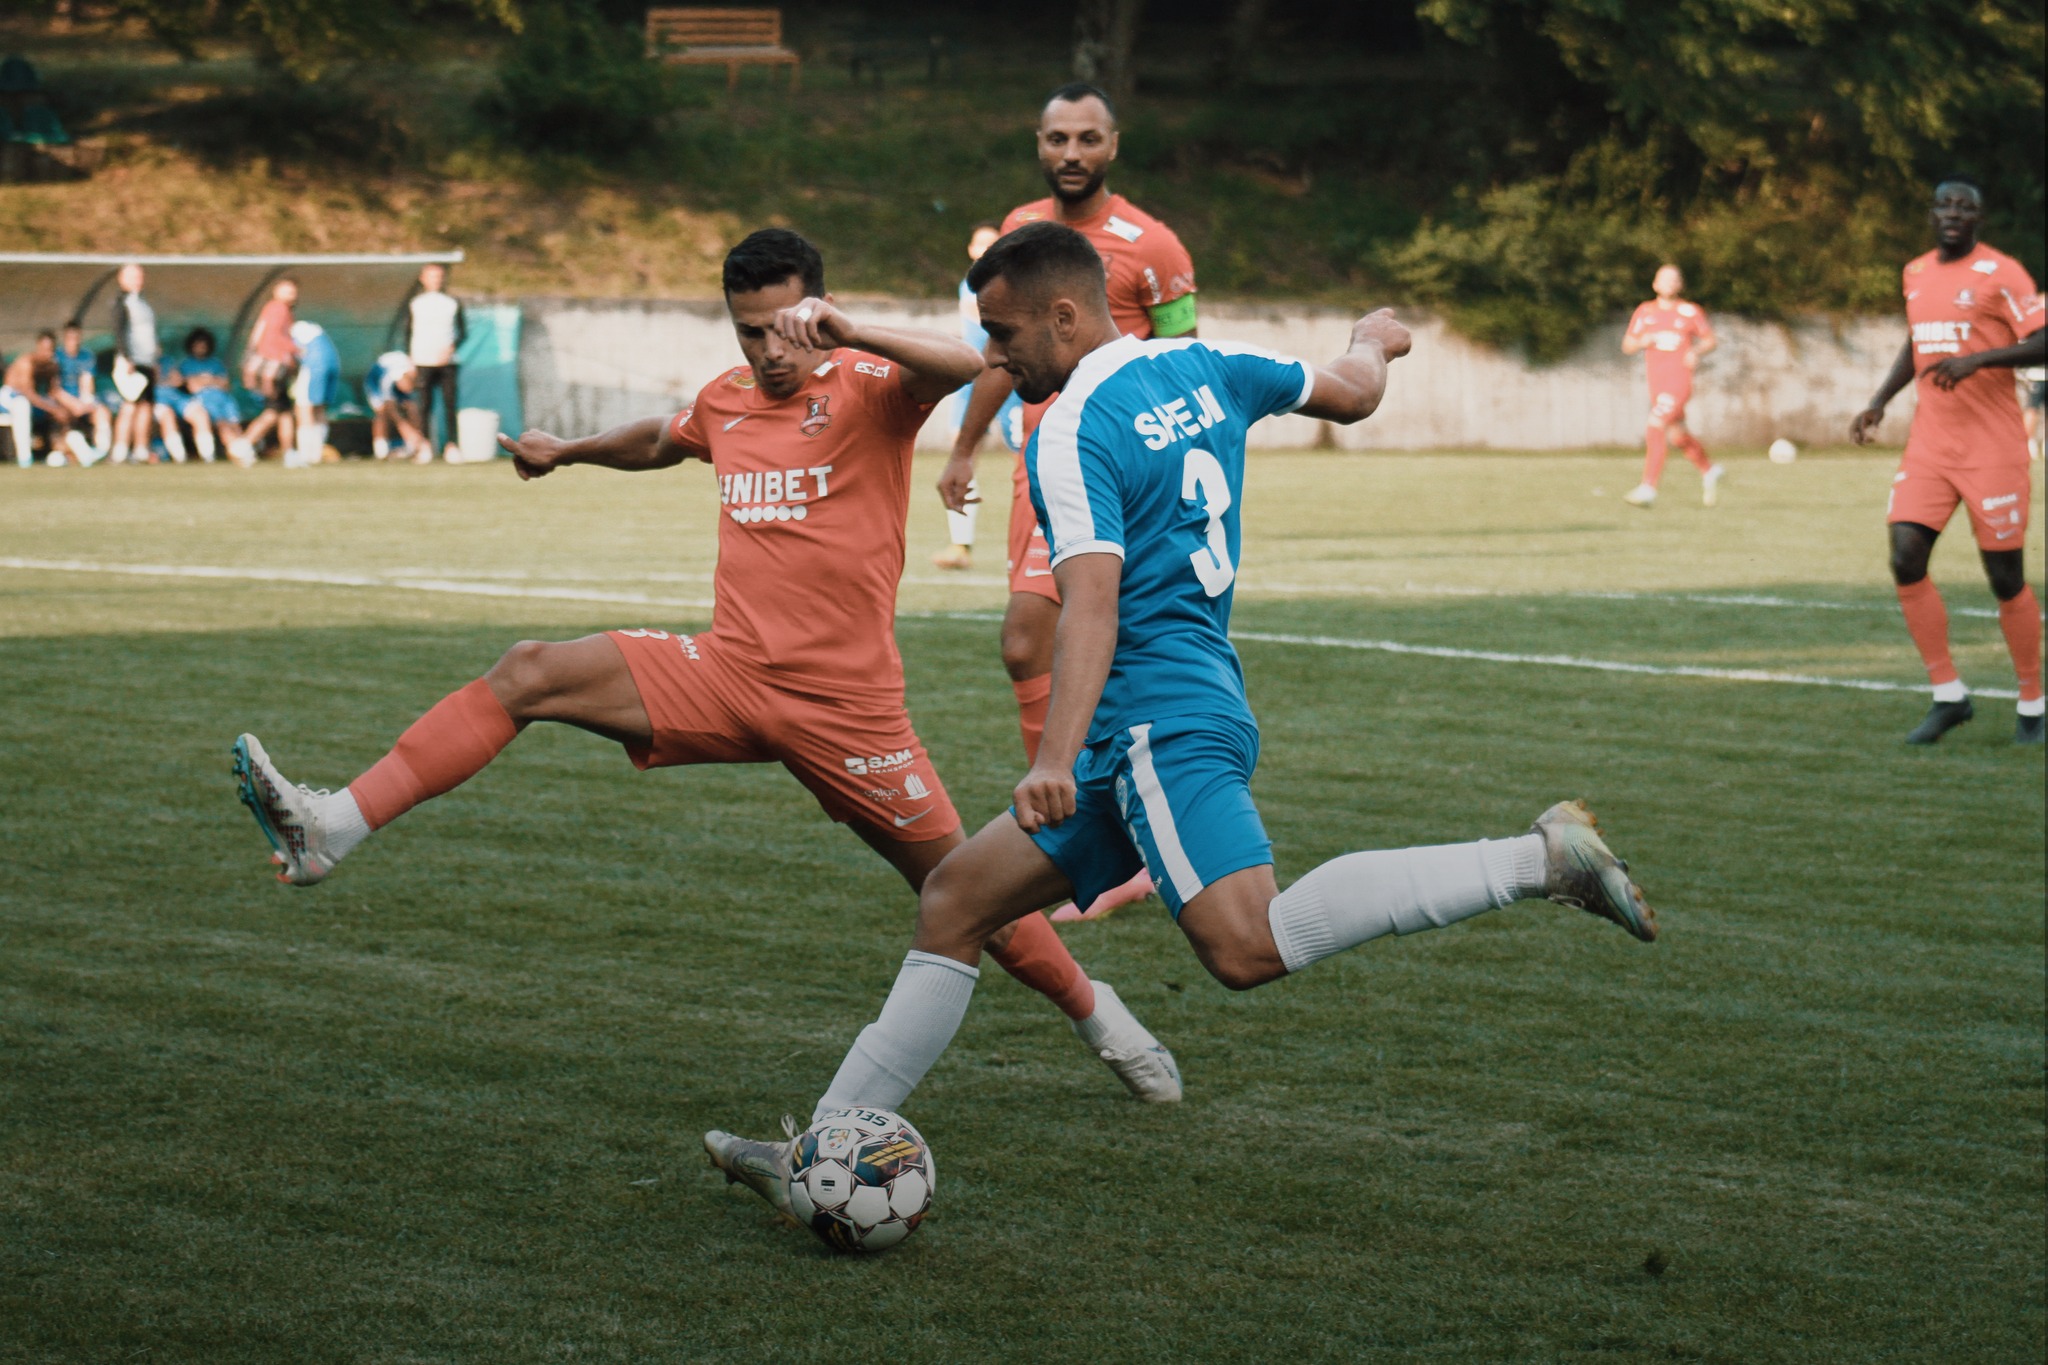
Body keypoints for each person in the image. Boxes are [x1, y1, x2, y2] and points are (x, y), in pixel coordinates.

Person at [702, 223, 1656, 1213]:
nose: (993, 357)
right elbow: (1352, 392)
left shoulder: (1069, 428)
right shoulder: (1210, 363)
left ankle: (1540, 860)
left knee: (1244, 946)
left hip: (1154, 723)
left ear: (1063, 316)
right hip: (1171, 708)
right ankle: (817, 1148)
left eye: (1002, 333)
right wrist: (1377, 334)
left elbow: (1092, 607)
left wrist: (1054, 756)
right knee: (953, 901)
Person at [229, 228, 1181, 1106]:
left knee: (966, 895)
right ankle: (331, 828)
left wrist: (853, 334)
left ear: (820, 310)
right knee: (528, 671)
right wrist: (567, 452)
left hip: (849, 713)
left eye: (783, 328)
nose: (768, 351)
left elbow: (970, 362)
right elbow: (662, 437)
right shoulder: (730, 399)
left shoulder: (870, 386)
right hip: (723, 673)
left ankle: (1097, 1013)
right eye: (748, 332)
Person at [940, 81, 1198, 922]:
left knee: (1089, 636)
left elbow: (1187, 357)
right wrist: (965, 443)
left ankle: (1102, 843)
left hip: (1116, 468)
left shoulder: (1154, 246)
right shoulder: (1019, 232)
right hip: (1038, 465)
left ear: (1112, 146)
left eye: (1088, 138)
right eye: (1057, 139)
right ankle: (1084, 829)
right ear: (1039, 144)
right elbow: (995, 352)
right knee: (1025, 644)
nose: (1071, 154)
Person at [1850, 178, 2045, 745]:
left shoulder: (2003, 273)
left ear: (1979, 218)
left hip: (1993, 451)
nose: (1953, 213)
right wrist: (1879, 401)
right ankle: (1948, 695)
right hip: (1931, 447)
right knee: (1905, 556)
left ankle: (2032, 702)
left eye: (1966, 207)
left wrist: (1977, 360)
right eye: (1945, 204)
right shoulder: (1915, 272)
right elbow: (1917, 342)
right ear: (1932, 213)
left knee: (2005, 578)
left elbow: (2043, 339)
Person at [930, 221, 1022, 572]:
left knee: (1026, 455)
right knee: (961, 453)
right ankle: (960, 544)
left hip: (1005, 375)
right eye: (979, 243)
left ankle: (1039, 534)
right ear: (970, 249)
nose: (984, 248)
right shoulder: (967, 284)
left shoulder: (1008, 284)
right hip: (970, 379)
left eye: (991, 242)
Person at [1620, 264, 1723, 508]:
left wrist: (1696, 351)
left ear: (1680, 285)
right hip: (1658, 384)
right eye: (1664, 279)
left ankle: (1648, 488)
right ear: (1655, 284)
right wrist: (1643, 340)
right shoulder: (1645, 311)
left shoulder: (1690, 311)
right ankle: (1709, 470)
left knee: (1655, 424)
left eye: (1674, 279)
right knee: (1677, 436)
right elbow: (1627, 345)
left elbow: (1710, 340)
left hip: (1679, 382)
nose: (1668, 283)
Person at [167, 327, 255, 467]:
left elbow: (225, 383)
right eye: (198, 344)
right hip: (205, 400)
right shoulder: (186, 364)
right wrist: (210, 380)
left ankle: (242, 451)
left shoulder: (216, 363)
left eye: (204, 344)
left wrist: (204, 380)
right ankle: (234, 454)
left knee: (234, 426)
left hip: (224, 400)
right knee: (222, 425)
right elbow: (190, 385)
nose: (201, 347)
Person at [406, 262, 466, 461]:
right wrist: (411, 358)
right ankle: (425, 446)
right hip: (423, 360)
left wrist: (450, 348)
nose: (436, 280)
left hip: (447, 362)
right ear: (423, 279)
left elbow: (463, 332)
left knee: (450, 404)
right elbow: (407, 333)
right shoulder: (415, 304)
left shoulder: (452, 303)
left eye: (439, 276)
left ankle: (452, 446)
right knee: (424, 405)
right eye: (431, 276)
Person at [109, 262, 161, 465]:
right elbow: (119, 332)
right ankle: (120, 449)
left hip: (147, 361)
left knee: (146, 406)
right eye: (133, 277)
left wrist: (155, 357)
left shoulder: (143, 303)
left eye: (140, 276)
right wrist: (125, 357)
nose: (138, 281)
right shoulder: (121, 302)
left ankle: (141, 449)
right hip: (131, 362)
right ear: (122, 279)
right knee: (130, 405)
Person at [2, 332, 73, 465]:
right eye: (45, 349)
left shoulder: (51, 366)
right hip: (9, 397)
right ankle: (25, 458)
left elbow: (53, 391)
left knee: (61, 409)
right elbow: (27, 393)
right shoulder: (27, 362)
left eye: (51, 349)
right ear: (38, 347)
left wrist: (60, 408)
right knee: (21, 404)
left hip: (32, 400)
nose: (49, 353)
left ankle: (63, 450)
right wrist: (53, 409)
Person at [53, 320, 110, 463]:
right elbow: (54, 389)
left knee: (102, 412)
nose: (74, 342)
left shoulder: (87, 356)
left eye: (77, 338)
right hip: (62, 401)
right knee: (63, 416)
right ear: (65, 337)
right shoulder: (56, 356)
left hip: (80, 401)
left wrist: (86, 401)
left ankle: (101, 451)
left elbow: (87, 383)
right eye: (71, 338)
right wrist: (73, 404)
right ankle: (69, 451)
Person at [286, 320, 341, 468]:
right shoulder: (314, 329)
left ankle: (305, 454)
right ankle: (317, 452)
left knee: (304, 408)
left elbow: (295, 353)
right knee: (319, 408)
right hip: (333, 362)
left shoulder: (292, 331)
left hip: (314, 364)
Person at [242, 279, 298, 400]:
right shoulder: (275, 308)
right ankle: (267, 402)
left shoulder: (282, 310)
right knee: (262, 377)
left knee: (263, 377)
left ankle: (269, 403)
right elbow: (263, 327)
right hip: (272, 349)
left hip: (275, 350)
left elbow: (263, 327)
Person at [364, 350, 424, 460]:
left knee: (410, 407)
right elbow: (391, 409)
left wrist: (417, 431)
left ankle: (412, 447)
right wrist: (406, 429)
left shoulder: (415, 374)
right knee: (382, 412)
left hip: (399, 377)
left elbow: (412, 405)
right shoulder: (387, 380)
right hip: (375, 381)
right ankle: (381, 449)